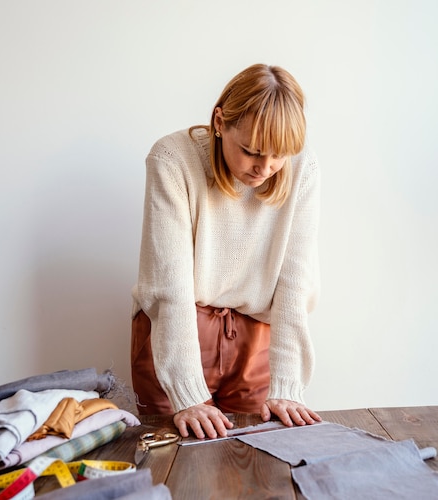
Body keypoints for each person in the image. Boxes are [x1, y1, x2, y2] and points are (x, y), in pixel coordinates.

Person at [131, 63, 322, 439]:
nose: (265, 168)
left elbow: (294, 283)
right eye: (251, 151)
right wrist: (186, 392)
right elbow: (170, 284)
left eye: (278, 155)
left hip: (256, 334)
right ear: (220, 121)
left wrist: (288, 387)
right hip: (179, 331)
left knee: (254, 465)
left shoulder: (302, 167)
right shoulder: (172, 159)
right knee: (174, 464)